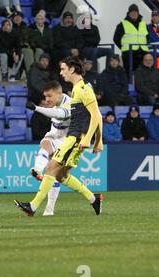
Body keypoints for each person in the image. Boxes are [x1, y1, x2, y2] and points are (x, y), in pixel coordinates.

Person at [15, 56, 103, 217]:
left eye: (63, 69)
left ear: (72, 69)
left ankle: (33, 207)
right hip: (73, 136)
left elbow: (96, 115)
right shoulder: (77, 88)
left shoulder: (82, 89)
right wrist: (97, 140)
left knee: (50, 169)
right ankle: (94, 199)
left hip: (75, 137)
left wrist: (91, 139)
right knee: (61, 175)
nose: (61, 72)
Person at [26, 80, 71, 216]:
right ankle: (38, 169)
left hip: (66, 140)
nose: (46, 99)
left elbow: (58, 114)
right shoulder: (55, 102)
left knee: (57, 175)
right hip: (54, 134)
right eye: (45, 96)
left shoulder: (69, 104)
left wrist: (36, 108)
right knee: (44, 143)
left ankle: (49, 209)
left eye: (49, 96)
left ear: (59, 93)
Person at [113, 4, 149, 79]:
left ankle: (142, 89)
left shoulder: (144, 24)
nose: (134, 14)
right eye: (132, 12)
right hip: (129, 53)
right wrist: (123, 47)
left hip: (143, 52)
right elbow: (116, 38)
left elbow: (147, 37)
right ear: (128, 13)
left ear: (138, 13)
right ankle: (128, 89)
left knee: (144, 73)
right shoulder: (122, 24)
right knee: (128, 74)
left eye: (135, 12)